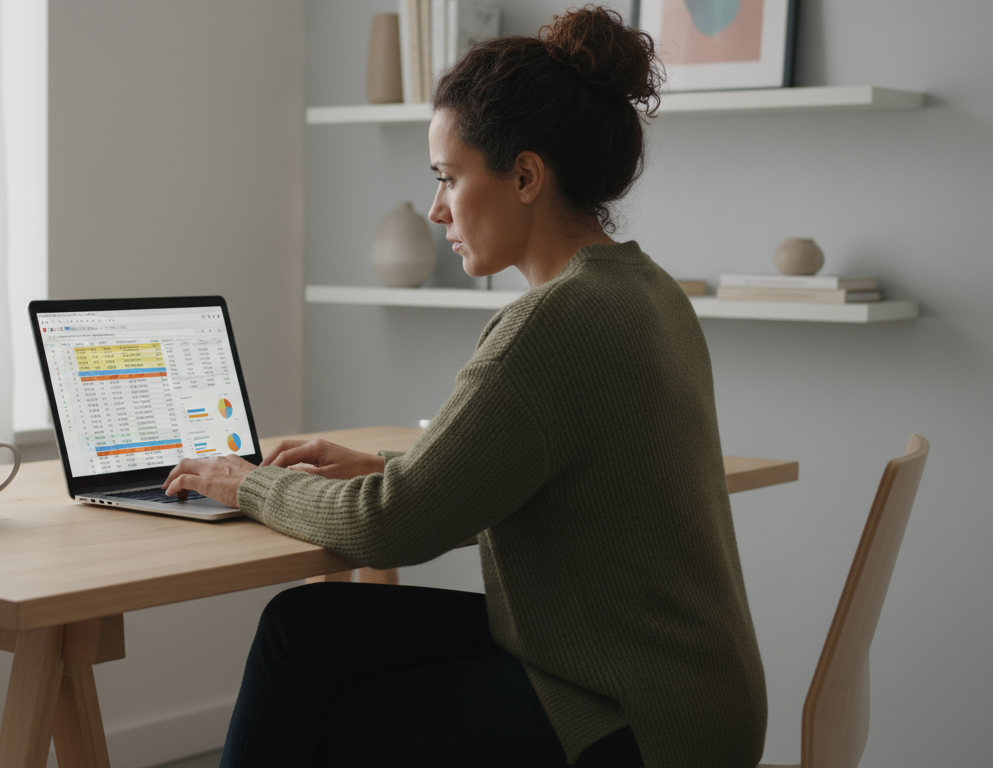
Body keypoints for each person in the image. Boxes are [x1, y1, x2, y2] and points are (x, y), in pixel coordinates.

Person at [163, 7, 767, 768]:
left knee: (334, 719)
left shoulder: (554, 323)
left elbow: (392, 529)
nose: (437, 208)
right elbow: (524, 476)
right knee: (305, 628)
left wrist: (245, 483)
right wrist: (386, 473)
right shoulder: (644, 288)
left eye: (449, 177)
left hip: (638, 720)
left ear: (524, 176)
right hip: (685, 691)